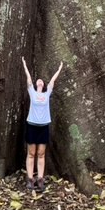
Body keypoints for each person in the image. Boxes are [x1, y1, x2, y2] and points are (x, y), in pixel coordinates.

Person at [22, 56, 63, 191]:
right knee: (31, 153)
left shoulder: (46, 94)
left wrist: (59, 69)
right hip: (32, 125)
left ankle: (40, 179)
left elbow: (52, 81)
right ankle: (30, 179)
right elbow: (28, 79)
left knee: (41, 154)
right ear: (35, 84)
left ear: (43, 85)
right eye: (37, 80)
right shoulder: (32, 92)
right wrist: (24, 65)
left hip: (43, 126)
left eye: (41, 81)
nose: (39, 81)